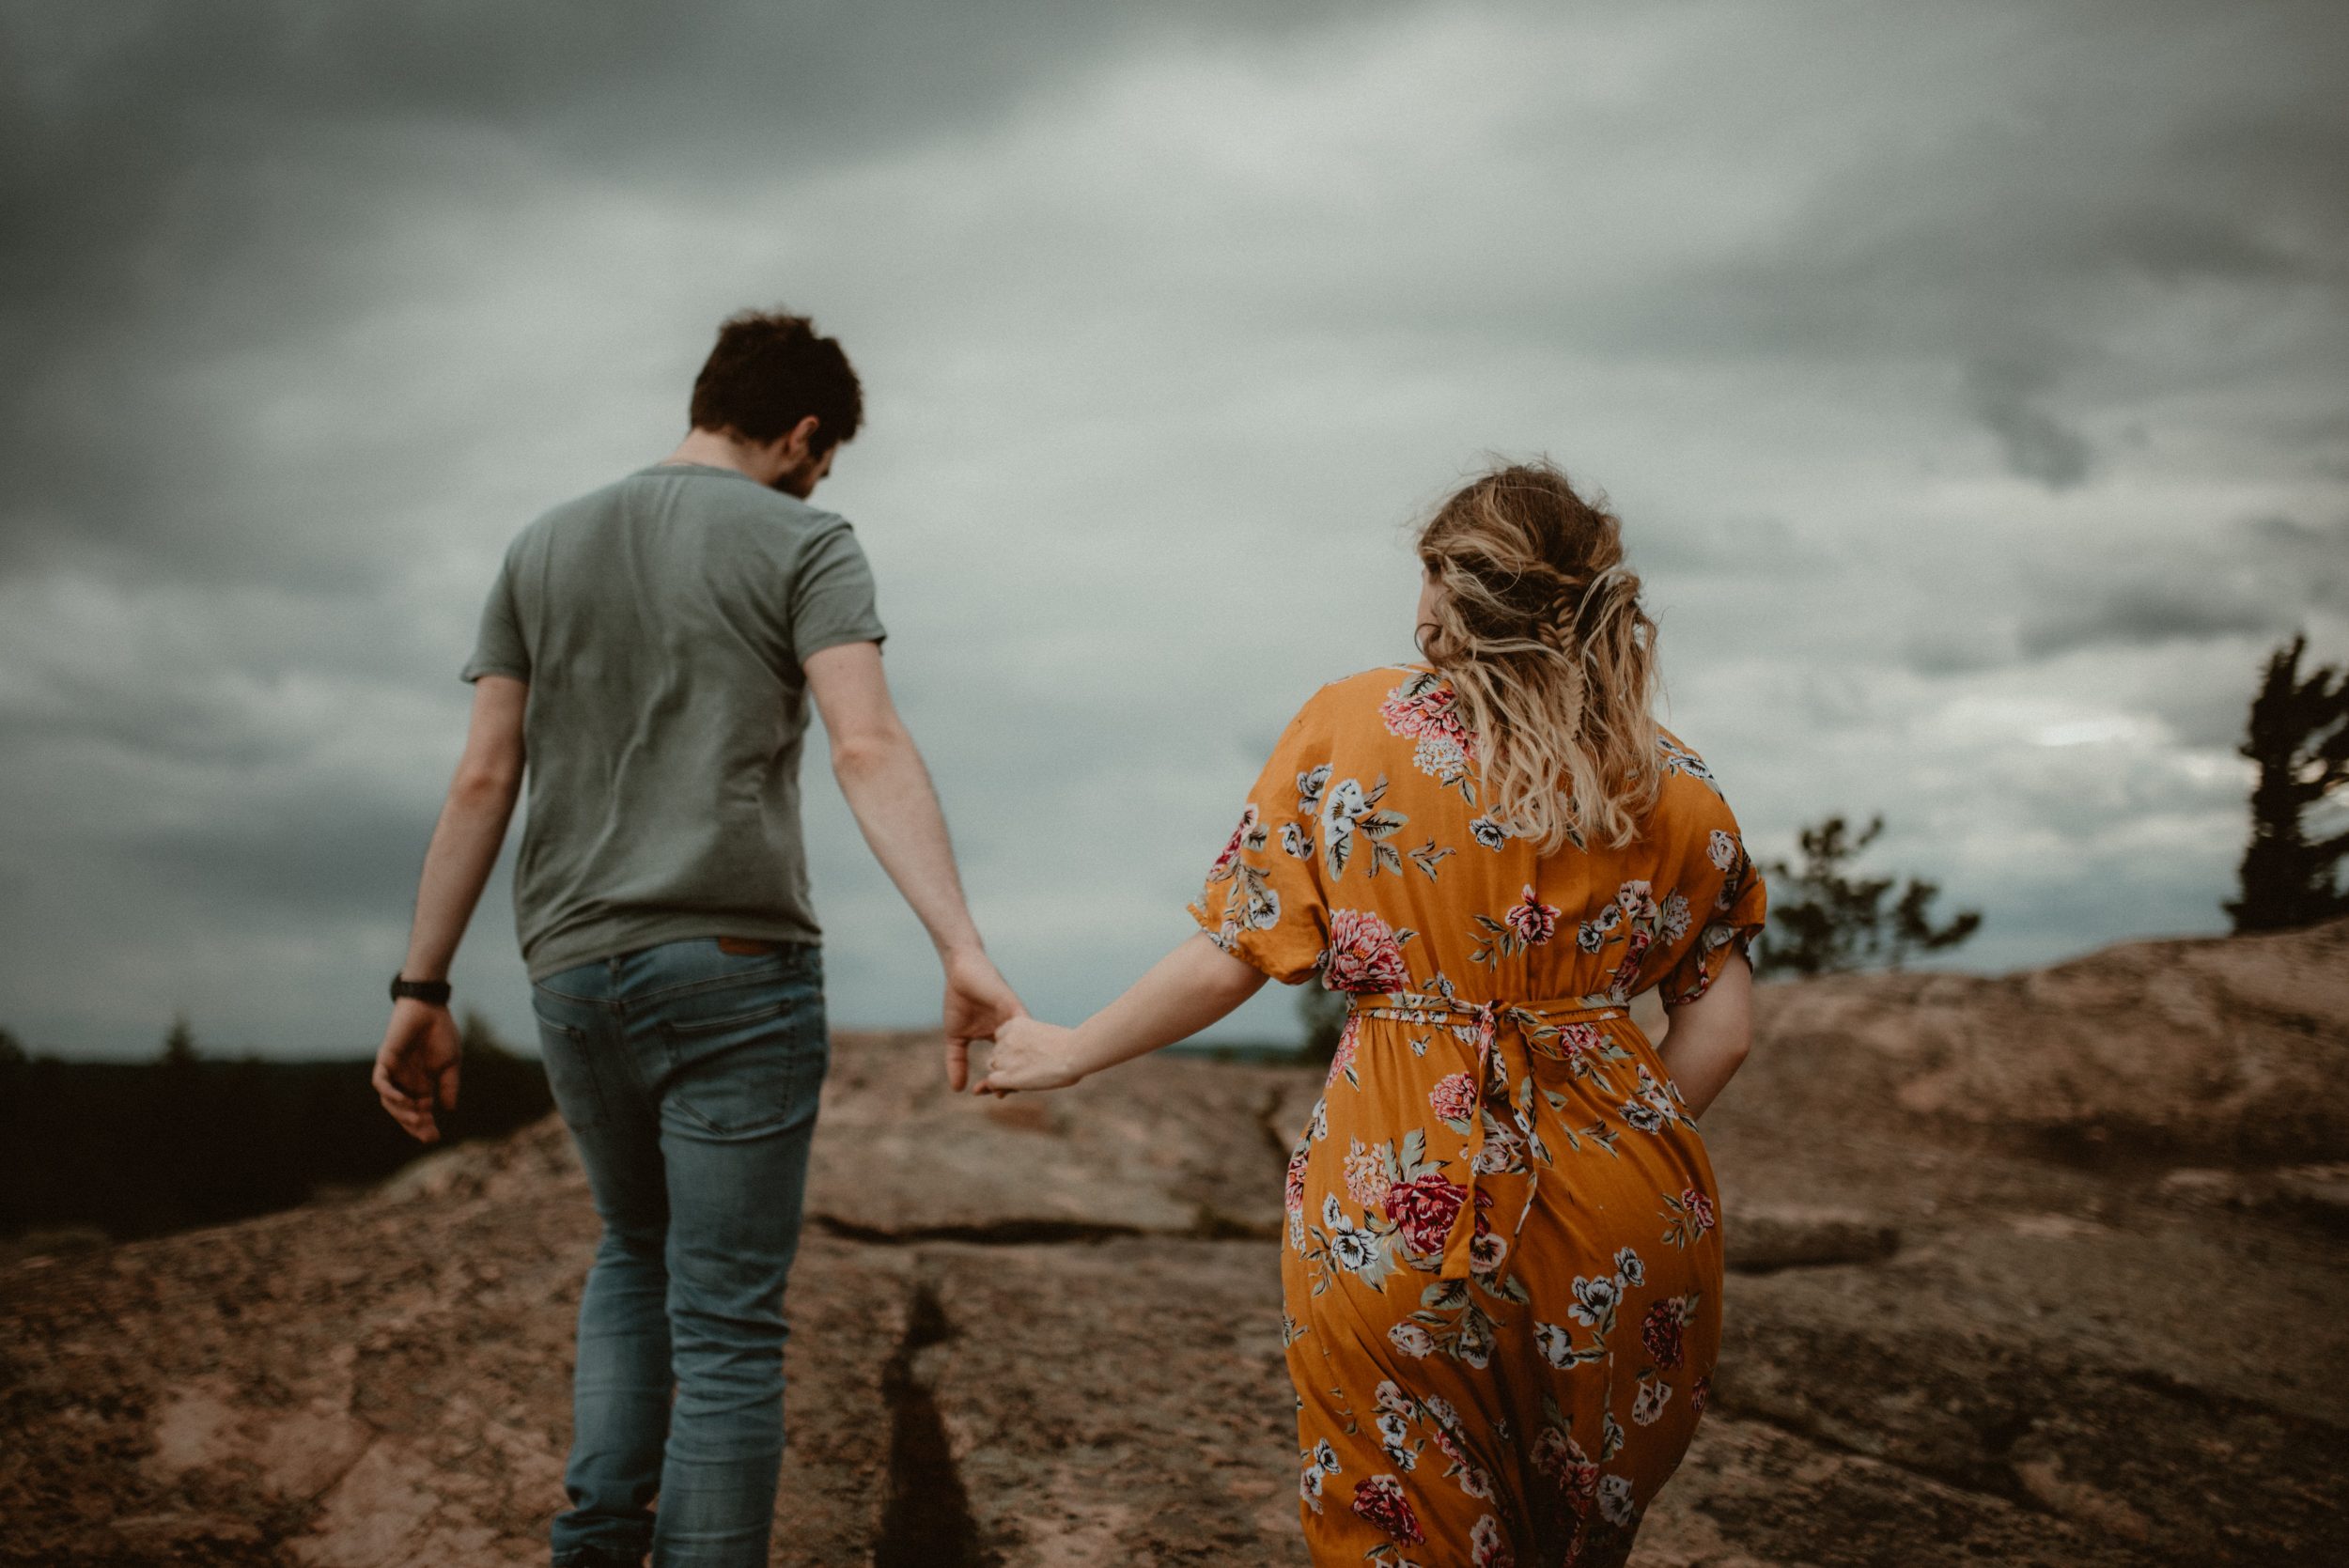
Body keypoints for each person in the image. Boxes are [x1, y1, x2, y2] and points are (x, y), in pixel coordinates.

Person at [978, 461, 1766, 1567]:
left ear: (1448, 587)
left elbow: (1234, 953)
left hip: (1399, 1199)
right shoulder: (1676, 782)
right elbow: (1720, 1031)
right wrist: (1590, 1148)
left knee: (1402, 1531)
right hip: (1626, 1221)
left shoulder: (1352, 729)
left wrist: (1069, 1051)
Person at [370, 307, 1023, 1568]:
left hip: (570, 965)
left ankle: (593, 1552)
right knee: (727, 1325)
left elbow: (481, 781)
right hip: (735, 964)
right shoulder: (806, 538)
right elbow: (867, 742)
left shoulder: (539, 546)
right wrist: (960, 945)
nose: (821, 480)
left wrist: (421, 983)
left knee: (633, 1251)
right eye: (824, 458)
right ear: (802, 435)